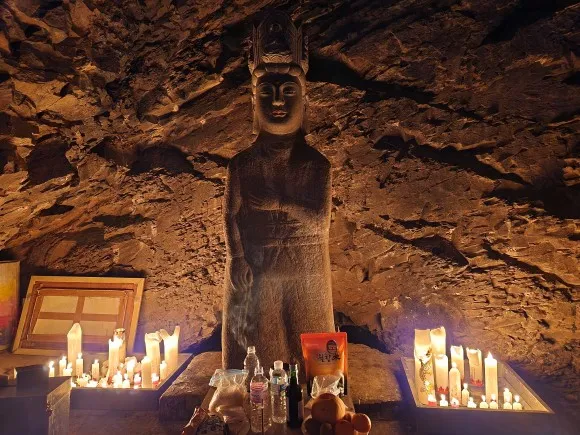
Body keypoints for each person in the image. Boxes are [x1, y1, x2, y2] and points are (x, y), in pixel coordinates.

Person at [222, 11, 335, 371]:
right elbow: (231, 214)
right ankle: (249, 392)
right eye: (267, 93)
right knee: (257, 343)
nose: (277, 102)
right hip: (257, 263)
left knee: (312, 346)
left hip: (306, 264)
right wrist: (237, 258)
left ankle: (321, 390)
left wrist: (281, 202)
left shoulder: (316, 165)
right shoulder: (242, 164)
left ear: (305, 100)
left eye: (288, 92)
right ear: (253, 102)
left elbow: (320, 222)